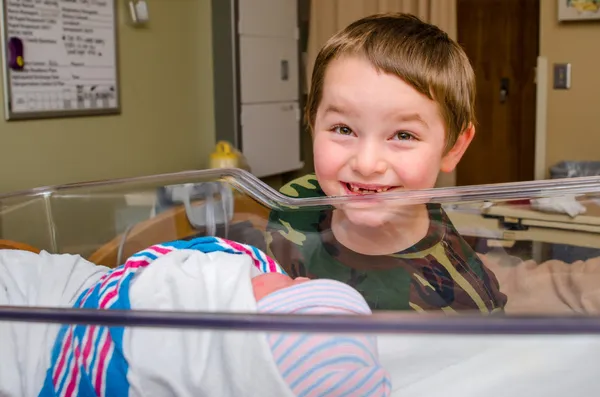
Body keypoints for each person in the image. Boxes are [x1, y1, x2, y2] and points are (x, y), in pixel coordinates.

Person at [264, 13, 507, 312]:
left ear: (453, 148)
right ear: (313, 123)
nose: (367, 164)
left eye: (403, 135)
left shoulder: (462, 298)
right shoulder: (295, 204)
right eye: (343, 129)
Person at [0, 237, 391, 397]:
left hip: (51, 338)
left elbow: (151, 273)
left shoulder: (207, 305)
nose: (301, 277)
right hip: (78, 291)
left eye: (295, 289)